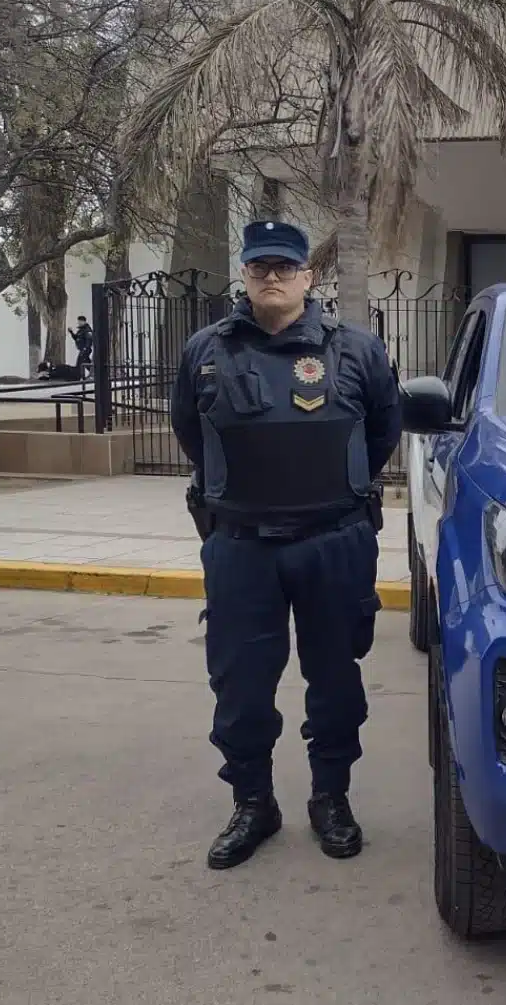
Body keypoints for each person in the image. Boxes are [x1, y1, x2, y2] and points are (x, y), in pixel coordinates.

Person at [170, 219, 402, 870]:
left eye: (284, 267)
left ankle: (331, 796)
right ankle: (253, 803)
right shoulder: (205, 351)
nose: (272, 277)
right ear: (243, 275)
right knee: (240, 686)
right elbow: (191, 430)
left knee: (334, 680)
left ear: (308, 276)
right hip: (241, 546)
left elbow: (383, 428)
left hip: (333, 542)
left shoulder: (353, 350)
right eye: (259, 267)